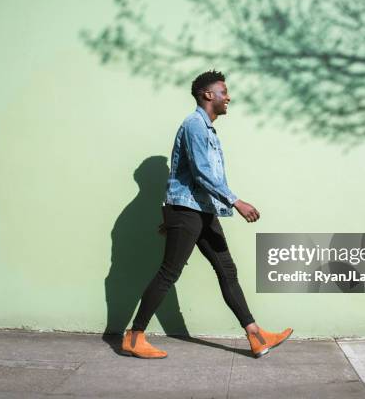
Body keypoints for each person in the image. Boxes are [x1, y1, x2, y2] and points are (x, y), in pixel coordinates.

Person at [121, 70, 293, 359]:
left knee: (227, 270)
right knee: (169, 272)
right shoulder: (194, 126)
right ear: (208, 94)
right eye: (224, 92)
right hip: (188, 210)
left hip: (202, 209)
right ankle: (134, 336)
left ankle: (256, 335)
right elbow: (201, 172)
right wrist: (236, 202)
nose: (229, 97)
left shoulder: (207, 128)